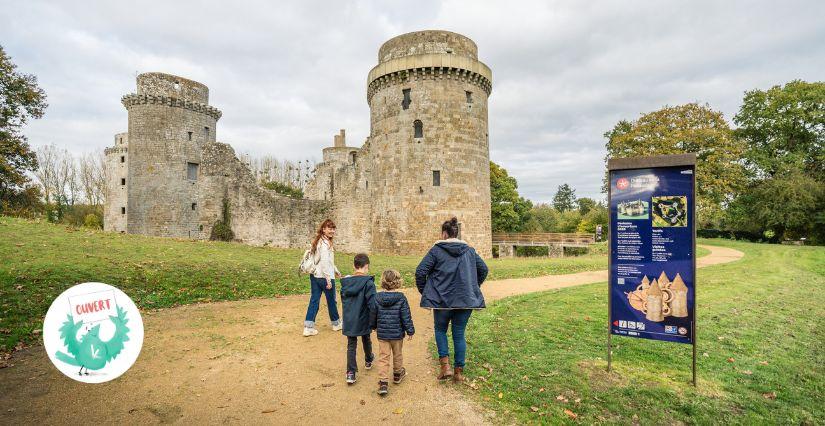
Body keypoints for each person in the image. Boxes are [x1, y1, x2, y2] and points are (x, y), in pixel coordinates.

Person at [415, 217, 488, 383]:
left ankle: (445, 367)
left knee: (440, 330)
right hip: (465, 300)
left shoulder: (436, 250)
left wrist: (427, 292)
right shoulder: (469, 250)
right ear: (456, 233)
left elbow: (420, 272)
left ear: (444, 233)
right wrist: (473, 287)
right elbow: (483, 269)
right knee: (459, 334)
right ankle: (458, 372)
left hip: (441, 300)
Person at [370, 269, 414, 396]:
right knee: (397, 354)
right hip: (397, 334)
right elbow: (406, 315)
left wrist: (373, 326)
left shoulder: (377, 297)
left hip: (383, 334)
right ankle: (397, 374)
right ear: (397, 282)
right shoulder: (401, 298)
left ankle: (383, 382)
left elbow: (373, 314)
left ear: (383, 282)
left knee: (384, 357)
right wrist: (410, 330)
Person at [339, 253, 377, 384]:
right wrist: (375, 320)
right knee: (366, 338)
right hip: (364, 317)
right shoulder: (369, 283)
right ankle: (368, 359)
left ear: (354, 266)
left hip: (350, 317)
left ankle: (351, 372)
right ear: (366, 266)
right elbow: (372, 304)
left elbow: (344, 301)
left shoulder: (345, 283)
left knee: (351, 345)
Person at [303, 219, 342, 337]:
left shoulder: (319, 241)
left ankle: (308, 327)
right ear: (323, 229)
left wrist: (336, 270)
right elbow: (325, 262)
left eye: (333, 228)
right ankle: (336, 324)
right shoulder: (324, 244)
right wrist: (329, 279)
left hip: (315, 276)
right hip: (324, 277)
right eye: (329, 228)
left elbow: (327, 261)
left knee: (314, 300)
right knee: (331, 301)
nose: (332, 231)